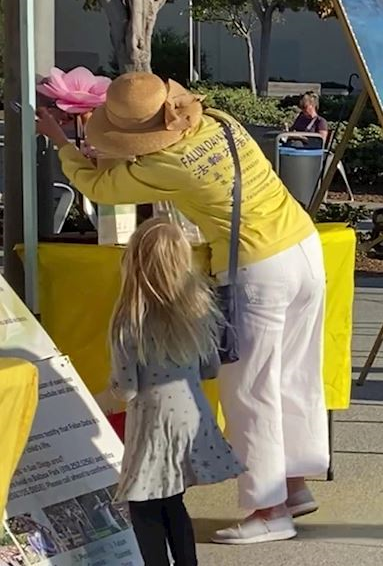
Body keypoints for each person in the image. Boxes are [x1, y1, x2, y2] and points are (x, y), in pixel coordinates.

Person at [37, 72, 327, 544]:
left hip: (257, 267)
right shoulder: (221, 121)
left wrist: (62, 142)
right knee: (294, 375)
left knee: (249, 391)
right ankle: (294, 484)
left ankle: (269, 509)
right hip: (304, 248)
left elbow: (99, 187)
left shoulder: (166, 165)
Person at [97, 218, 243, 566]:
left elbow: (127, 389)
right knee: (172, 499)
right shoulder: (198, 309)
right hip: (191, 418)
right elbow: (210, 369)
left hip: (152, 424)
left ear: (134, 261)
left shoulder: (130, 317)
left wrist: (99, 399)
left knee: (143, 504)